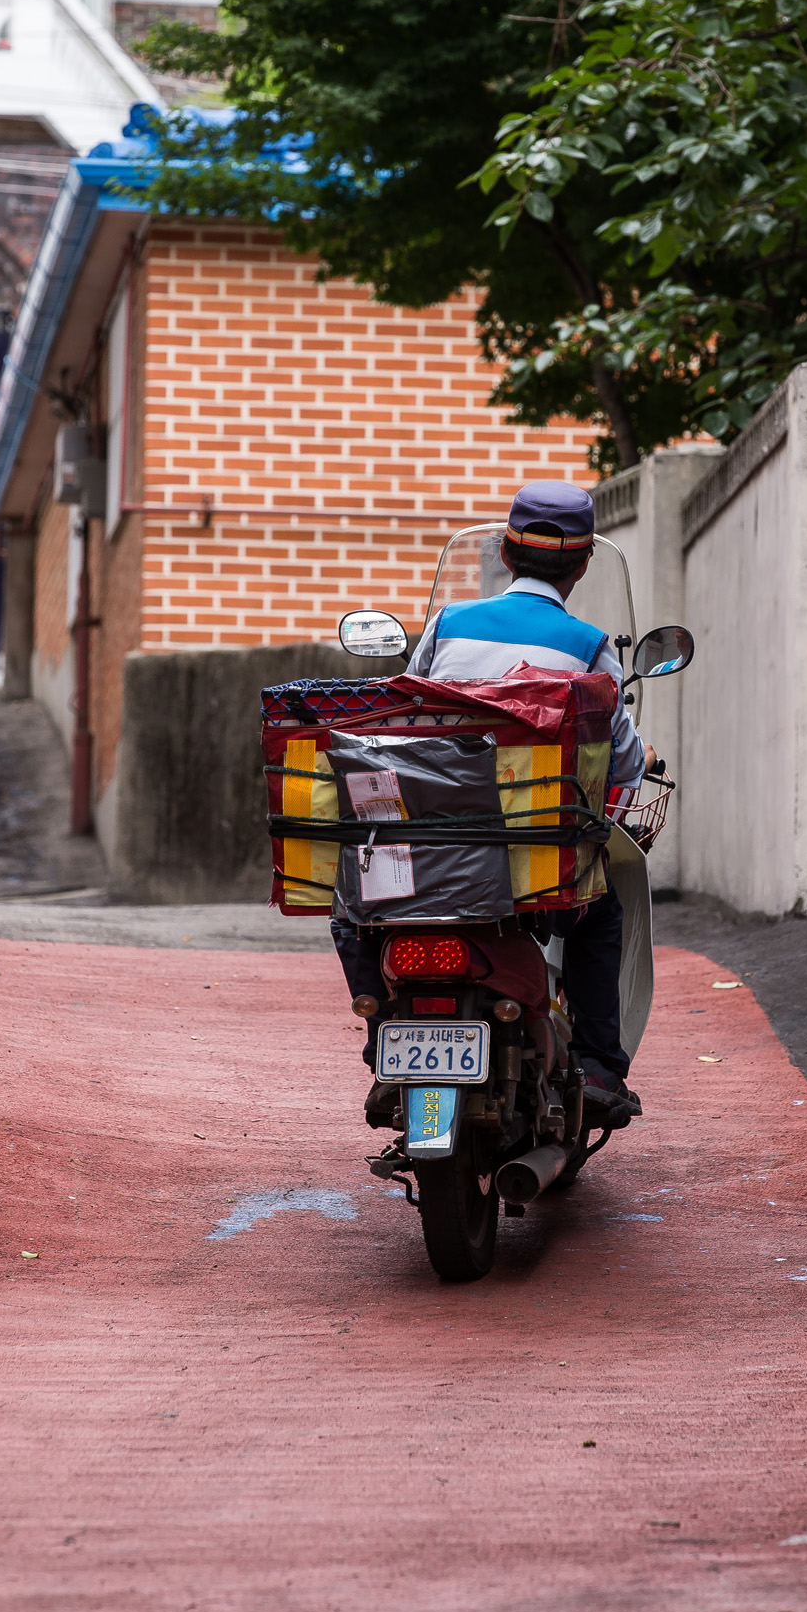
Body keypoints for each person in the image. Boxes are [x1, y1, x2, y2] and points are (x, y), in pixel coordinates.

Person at [334, 481, 653, 1130]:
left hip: (430, 853)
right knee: (599, 916)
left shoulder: (449, 625)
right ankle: (595, 1066)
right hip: (534, 861)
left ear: (506, 555)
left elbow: (409, 725)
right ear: (583, 563)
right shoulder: (589, 646)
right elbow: (620, 762)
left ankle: (380, 1043)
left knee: (351, 906)